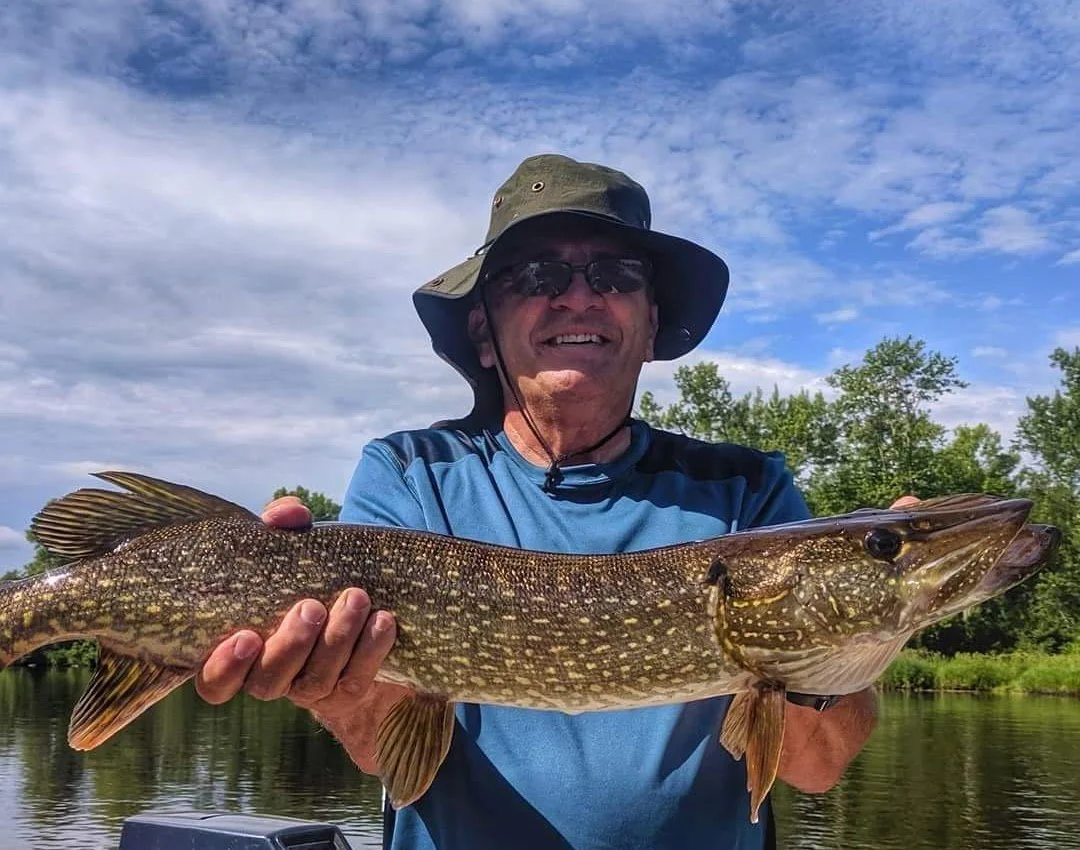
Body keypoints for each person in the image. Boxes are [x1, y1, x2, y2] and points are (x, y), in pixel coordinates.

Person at [195, 154, 879, 849]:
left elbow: (817, 764)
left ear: (650, 328)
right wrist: (341, 694)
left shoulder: (746, 491)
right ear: (485, 334)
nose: (577, 297)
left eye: (615, 275)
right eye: (536, 275)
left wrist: (840, 641)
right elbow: (387, 749)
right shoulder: (410, 473)